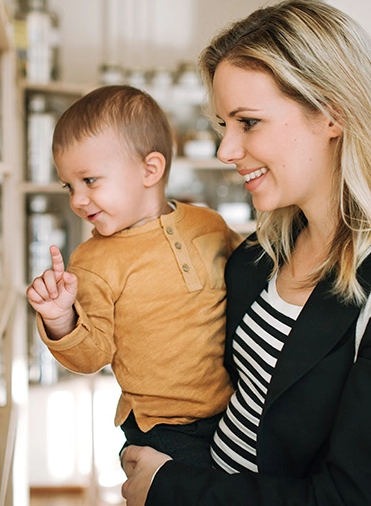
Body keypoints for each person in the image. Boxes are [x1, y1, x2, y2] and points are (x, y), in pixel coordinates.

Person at [121, 0, 371, 505]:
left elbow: (363, 496)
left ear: (333, 114)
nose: (225, 150)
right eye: (223, 125)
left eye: (249, 123)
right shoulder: (262, 252)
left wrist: (171, 488)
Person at [26, 84, 243, 468]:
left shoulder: (208, 224)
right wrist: (60, 318)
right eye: (69, 186)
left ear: (150, 169)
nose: (76, 199)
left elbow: (252, 272)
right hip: (160, 428)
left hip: (230, 411)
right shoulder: (92, 261)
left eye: (89, 181)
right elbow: (92, 355)